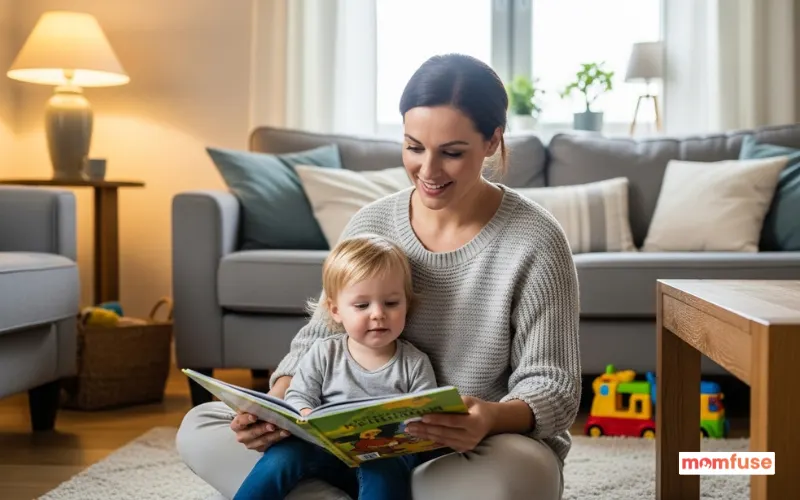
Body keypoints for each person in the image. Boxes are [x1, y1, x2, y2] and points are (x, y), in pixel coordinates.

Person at [177, 52, 580, 500]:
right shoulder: (371, 222)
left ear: (492, 141)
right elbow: (319, 338)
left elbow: (553, 386)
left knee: (521, 473)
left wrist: (488, 417)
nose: (428, 171)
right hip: (345, 446)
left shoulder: (535, 238)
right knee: (200, 426)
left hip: (467, 452)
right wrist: (275, 410)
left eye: (451, 153)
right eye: (414, 147)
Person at [233, 234, 438, 500]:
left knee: (382, 466)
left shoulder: (415, 362)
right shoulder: (324, 353)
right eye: (362, 305)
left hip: (385, 459)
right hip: (325, 453)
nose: (378, 314)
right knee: (282, 455)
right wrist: (306, 415)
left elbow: (428, 415)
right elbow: (298, 395)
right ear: (335, 310)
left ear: (407, 305)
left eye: (391, 303)